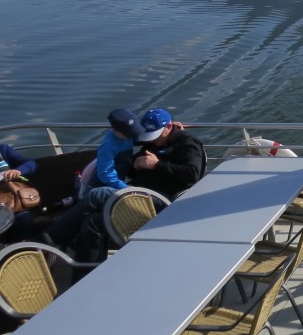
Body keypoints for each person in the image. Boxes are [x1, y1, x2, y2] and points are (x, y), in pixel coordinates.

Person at [46, 108, 205, 261]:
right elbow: (133, 172)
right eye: (149, 135)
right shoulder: (152, 142)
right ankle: (84, 273)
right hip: (138, 193)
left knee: (97, 194)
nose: (152, 140)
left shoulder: (188, 143)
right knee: (92, 223)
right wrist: (136, 166)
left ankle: (48, 240)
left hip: (160, 200)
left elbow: (192, 175)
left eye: (155, 135)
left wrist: (157, 165)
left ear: (169, 127)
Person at [44, 107, 146, 249]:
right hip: (101, 184)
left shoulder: (127, 136)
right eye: (129, 133)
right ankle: (60, 239)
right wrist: (124, 188)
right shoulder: (109, 145)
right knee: (87, 216)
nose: (132, 135)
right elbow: (105, 173)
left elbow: (140, 138)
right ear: (116, 131)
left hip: (117, 181)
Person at [0, 119, 39, 242]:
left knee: (24, 220)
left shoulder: (2, 150)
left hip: (12, 202)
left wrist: (18, 171)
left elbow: (31, 163)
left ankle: (22, 252)